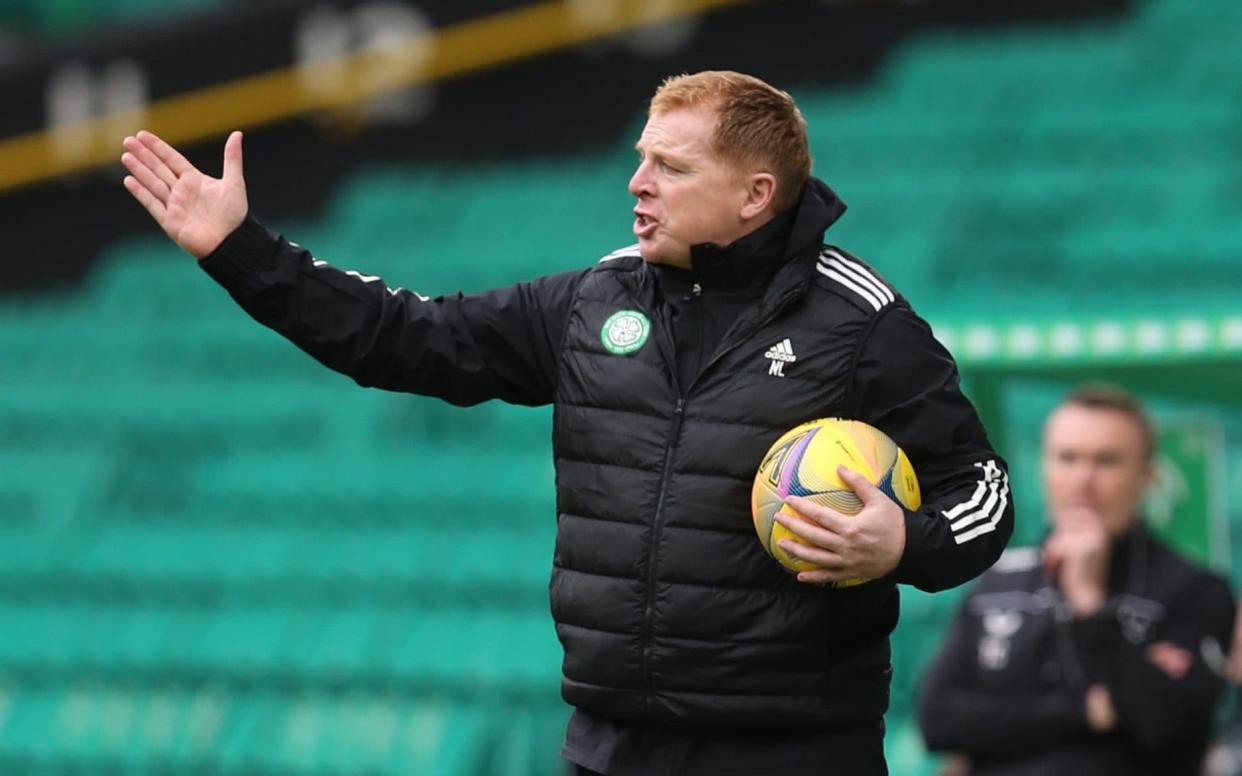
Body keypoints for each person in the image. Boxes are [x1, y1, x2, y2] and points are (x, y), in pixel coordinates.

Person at [120, 70, 1014, 775]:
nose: (638, 182)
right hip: (613, 743)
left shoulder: (860, 323)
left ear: (754, 194)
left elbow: (982, 488)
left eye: (671, 166)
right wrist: (242, 251)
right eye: (641, 157)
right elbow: (403, 338)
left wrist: (904, 543)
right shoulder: (593, 299)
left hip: (794, 748)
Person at [918, 384, 1235, 776]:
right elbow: (939, 720)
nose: (1083, 479)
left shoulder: (1194, 589)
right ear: (1044, 468)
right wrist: (1088, 712)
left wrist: (1089, 603)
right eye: (1067, 458)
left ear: (1148, 475)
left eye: (1106, 461)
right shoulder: (999, 581)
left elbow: (1168, 727)